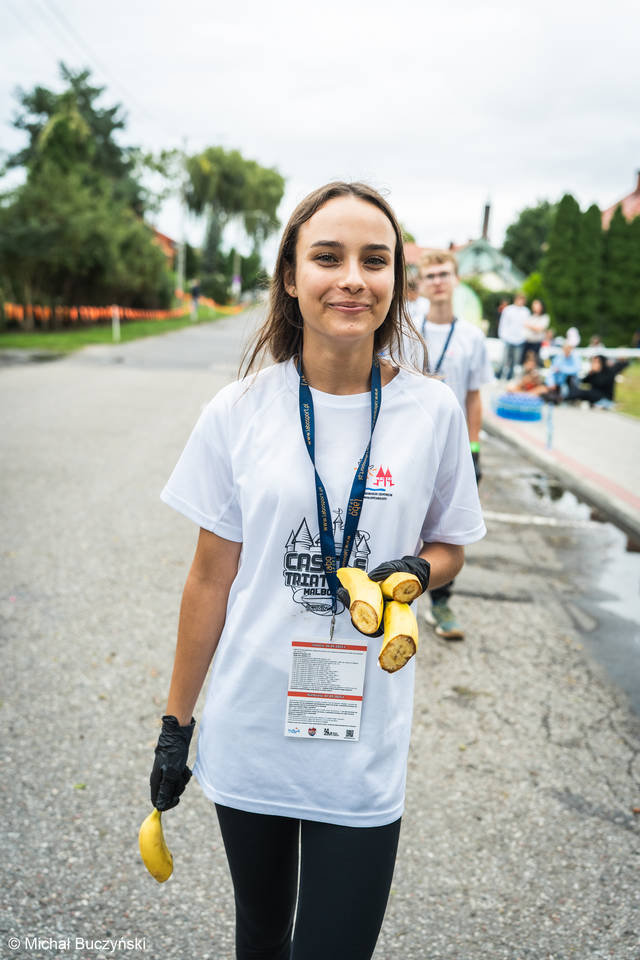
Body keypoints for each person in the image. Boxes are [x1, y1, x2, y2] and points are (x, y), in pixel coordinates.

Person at [151, 181, 485, 960]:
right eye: (327, 257)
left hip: (363, 746)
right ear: (290, 277)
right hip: (252, 731)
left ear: (397, 281)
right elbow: (208, 579)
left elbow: (453, 546)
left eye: (376, 261)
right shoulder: (237, 413)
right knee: (262, 939)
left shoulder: (431, 412)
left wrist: (414, 570)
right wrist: (175, 726)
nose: (352, 279)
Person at [407, 250, 493, 641]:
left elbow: (473, 396)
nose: (439, 281)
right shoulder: (408, 328)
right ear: (421, 283)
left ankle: (441, 606)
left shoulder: (472, 337)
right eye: (431, 275)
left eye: (445, 274)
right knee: (402, 523)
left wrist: (473, 448)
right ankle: (390, 593)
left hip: (453, 450)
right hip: (410, 445)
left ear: (456, 280)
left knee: (448, 533)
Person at [497, 292, 529, 379]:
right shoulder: (508, 309)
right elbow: (503, 323)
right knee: (504, 359)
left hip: (519, 340)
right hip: (508, 338)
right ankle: (499, 375)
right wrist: (503, 335)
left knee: (515, 360)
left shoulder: (526, 311)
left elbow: (526, 326)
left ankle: (509, 377)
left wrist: (523, 337)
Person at [521, 299, 549, 364]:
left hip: (536, 343)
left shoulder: (544, 317)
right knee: (524, 361)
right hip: (527, 341)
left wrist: (530, 326)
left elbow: (539, 329)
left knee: (533, 361)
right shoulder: (530, 316)